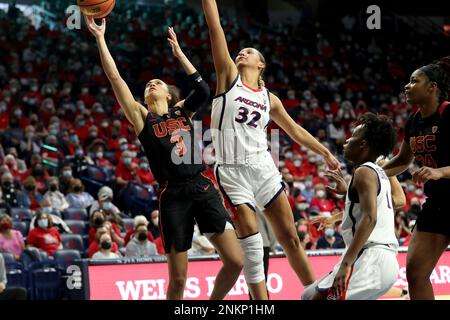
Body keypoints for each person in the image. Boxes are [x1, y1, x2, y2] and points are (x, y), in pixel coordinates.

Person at [85, 17, 243, 300]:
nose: (152, 84)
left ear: (170, 96)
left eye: (157, 83)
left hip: (202, 185)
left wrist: (180, 54)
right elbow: (115, 78)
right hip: (173, 195)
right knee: (179, 280)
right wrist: (100, 38)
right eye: (148, 85)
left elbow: (204, 90)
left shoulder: (183, 111)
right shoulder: (142, 117)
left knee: (235, 261)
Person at [202, 0, 339, 299]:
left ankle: (314, 293)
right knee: (251, 243)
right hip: (232, 170)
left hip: (263, 167)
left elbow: (295, 131)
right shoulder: (228, 77)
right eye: (242, 50)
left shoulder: (269, 98)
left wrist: (325, 152)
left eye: (250, 52)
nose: (242, 52)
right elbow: (215, 29)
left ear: (261, 64)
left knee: (290, 237)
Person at [302, 113, 399, 300]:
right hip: (379, 258)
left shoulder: (364, 171)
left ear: (363, 145)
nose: (346, 141)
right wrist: (349, 193)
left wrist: (346, 264)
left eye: (352, 137)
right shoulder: (377, 172)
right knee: (308, 296)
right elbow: (373, 207)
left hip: (370, 256)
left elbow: (370, 218)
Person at [382, 57, 450, 300]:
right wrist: (372, 173)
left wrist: (441, 171)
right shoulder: (414, 121)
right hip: (438, 202)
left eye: (414, 81)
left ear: (432, 86)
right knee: (416, 273)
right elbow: (402, 161)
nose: (407, 87)